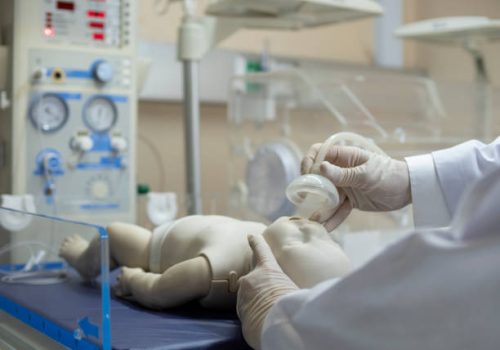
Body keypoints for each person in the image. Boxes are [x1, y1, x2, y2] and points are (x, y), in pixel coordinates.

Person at [237, 138, 500, 349]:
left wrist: (282, 323)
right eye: (299, 237)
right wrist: (411, 179)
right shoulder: (240, 249)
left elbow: (466, 294)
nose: (309, 225)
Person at [59, 215, 350, 310]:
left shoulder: (215, 269)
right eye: (327, 236)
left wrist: (134, 279)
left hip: (154, 247)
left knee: (114, 233)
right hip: (182, 230)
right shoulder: (266, 234)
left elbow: (160, 290)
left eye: (299, 238)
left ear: (269, 271)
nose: (310, 225)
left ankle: (85, 260)